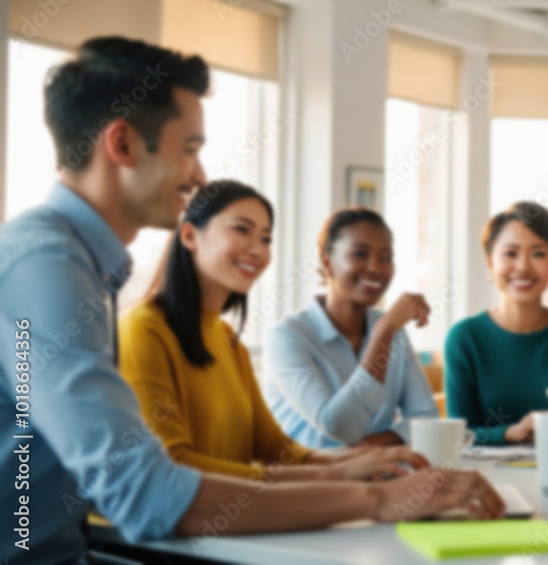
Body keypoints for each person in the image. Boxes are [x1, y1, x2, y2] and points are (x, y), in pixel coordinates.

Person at [0, 37, 501, 564]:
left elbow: (257, 455)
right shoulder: (45, 267)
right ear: (122, 145)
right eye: (189, 148)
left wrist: (345, 472)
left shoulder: (79, 268)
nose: (198, 175)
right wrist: (375, 499)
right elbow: (143, 491)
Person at [120, 182, 427, 481]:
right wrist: (337, 473)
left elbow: (275, 450)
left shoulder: (226, 338)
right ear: (189, 235)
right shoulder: (143, 329)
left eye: (266, 238)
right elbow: (172, 469)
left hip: (231, 522)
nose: (258, 249)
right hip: (178, 529)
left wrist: (362, 461)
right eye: (242, 229)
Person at [263, 207, 439, 448]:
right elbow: (337, 427)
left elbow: (426, 416)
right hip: (308, 480)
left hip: (376, 475)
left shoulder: (393, 332)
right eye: (359, 254)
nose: (376, 268)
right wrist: (384, 331)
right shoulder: (286, 338)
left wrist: (367, 447)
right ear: (328, 263)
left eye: (386, 257)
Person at [445, 202, 548, 445]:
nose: (522, 266)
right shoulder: (465, 338)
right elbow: (458, 435)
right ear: (491, 262)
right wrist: (507, 433)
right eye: (510, 253)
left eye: (538, 254)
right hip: (485, 477)